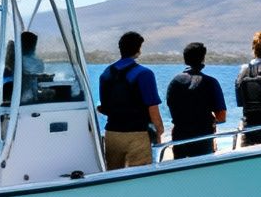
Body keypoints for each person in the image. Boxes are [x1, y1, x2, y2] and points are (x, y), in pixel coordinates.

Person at [97, 31, 164, 169]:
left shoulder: (106, 74)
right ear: (138, 50)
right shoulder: (144, 73)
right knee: (139, 177)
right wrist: (159, 130)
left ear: (120, 49)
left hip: (112, 134)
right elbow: (152, 106)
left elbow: (104, 107)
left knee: (113, 177)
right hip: (137, 134)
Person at [164, 42, 227, 159]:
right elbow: (221, 117)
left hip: (179, 137)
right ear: (203, 58)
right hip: (203, 139)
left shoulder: (174, 82)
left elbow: (171, 107)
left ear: (185, 59)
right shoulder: (210, 82)